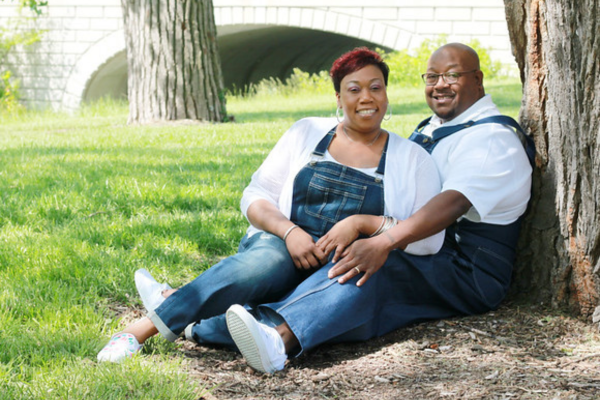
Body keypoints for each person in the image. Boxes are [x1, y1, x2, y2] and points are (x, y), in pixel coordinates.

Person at [96, 48, 444, 366]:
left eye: (376, 87)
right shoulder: (307, 132)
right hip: (282, 248)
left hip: (337, 268)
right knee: (267, 262)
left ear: (386, 93)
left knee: (356, 278)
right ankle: (138, 331)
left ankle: (198, 317)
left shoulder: (412, 159)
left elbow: (430, 241)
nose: (366, 98)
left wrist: (363, 223)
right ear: (339, 97)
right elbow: (254, 195)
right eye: (354, 89)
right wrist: (289, 232)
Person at [222, 42, 534, 374]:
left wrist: (382, 239)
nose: (440, 84)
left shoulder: (492, 140)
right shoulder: (438, 126)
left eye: (453, 75)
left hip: (466, 267)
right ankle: (202, 321)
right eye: (432, 76)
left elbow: (452, 204)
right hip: (428, 244)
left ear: (479, 79)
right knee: (332, 258)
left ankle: (277, 340)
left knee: (369, 266)